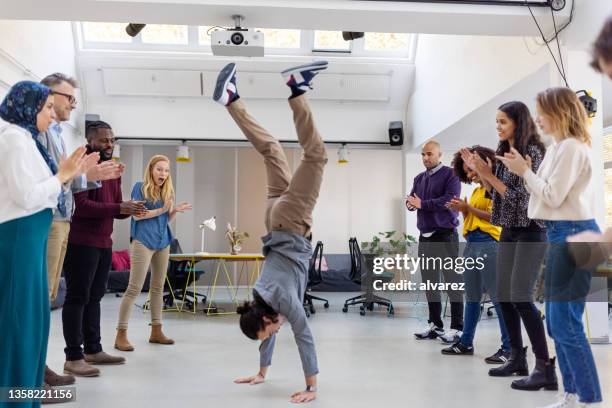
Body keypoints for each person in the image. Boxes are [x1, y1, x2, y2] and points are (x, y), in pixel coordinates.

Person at [213, 60, 328, 404]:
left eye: (271, 327)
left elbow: (304, 337)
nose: (277, 330)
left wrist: (311, 387)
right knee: (272, 149)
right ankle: (232, 100)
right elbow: (268, 332)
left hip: (291, 222)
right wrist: (262, 372)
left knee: (317, 155)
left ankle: (297, 88)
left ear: (265, 317)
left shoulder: (284, 304)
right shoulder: (260, 294)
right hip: (272, 218)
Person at [497, 87, 602, 408]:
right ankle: (570, 394)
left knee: (566, 324)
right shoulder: (558, 148)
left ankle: (589, 398)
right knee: (557, 324)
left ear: (559, 113)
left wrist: (524, 172)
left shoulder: (571, 148)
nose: (538, 118)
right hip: (560, 233)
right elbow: (542, 197)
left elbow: (552, 196)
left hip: (573, 234)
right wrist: (525, 171)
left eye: (542, 111)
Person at [0, 81, 90, 407]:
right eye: (47, 108)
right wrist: (61, 177)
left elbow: (43, 192)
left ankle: (27, 396)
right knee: (18, 321)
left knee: (34, 320)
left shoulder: (26, 140)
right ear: (28, 107)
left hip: (31, 237)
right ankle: (12, 399)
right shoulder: (12, 140)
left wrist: (65, 176)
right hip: (20, 237)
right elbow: (26, 196)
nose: (52, 115)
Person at [462, 101, 557, 391]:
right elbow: (501, 197)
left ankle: (545, 367)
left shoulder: (533, 152)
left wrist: (489, 176)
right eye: (497, 121)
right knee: (503, 295)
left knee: (520, 297)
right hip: (508, 230)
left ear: (519, 121)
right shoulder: (503, 153)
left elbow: (524, 199)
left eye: (503, 121)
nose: (498, 126)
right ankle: (517, 356)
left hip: (531, 230)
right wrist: (483, 174)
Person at [37, 72, 123, 387]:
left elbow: (66, 182)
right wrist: (88, 175)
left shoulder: (55, 134)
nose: (73, 104)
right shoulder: (26, 135)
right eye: (68, 98)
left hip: (77, 228)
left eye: (112, 140)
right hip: (69, 231)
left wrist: (95, 179)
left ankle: (90, 350)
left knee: (85, 296)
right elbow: (75, 197)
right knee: (66, 297)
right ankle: (67, 358)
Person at [62, 120, 147, 377]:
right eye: (103, 140)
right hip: (81, 242)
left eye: (111, 140)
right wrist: (118, 208)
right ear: (90, 142)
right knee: (77, 298)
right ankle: (73, 357)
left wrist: (129, 207)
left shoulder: (112, 169)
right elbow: (82, 206)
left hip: (103, 243)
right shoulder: (83, 168)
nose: (109, 144)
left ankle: (93, 349)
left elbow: (115, 207)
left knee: (95, 297)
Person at [440, 146, 511, 364]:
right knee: (471, 299)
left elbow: (495, 217)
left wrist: (468, 209)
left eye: (471, 169)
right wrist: (464, 209)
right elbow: (474, 217)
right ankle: (466, 342)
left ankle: (509, 348)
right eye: (467, 172)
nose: (470, 175)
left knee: (499, 301)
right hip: (472, 244)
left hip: (489, 245)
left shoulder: (492, 189)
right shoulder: (476, 191)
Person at [114, 154, 192, 351]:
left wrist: (175, 211)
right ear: (151, 169)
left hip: (163, 241)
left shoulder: (167, 190)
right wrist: (161, 210)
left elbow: (164, 220)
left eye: (166, 170)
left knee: (158, 288)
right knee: (134, 288)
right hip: (143, 241)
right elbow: (138, 216)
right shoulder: (140, 187)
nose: (163, 173)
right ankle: (121, 335)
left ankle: (156, 331)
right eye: (159, 169)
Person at [406, 140, 464, 343]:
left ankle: (457, 327)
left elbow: (449, 201)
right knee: (430, 283)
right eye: (423, 154)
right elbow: (412, 199)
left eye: (429, 154)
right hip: (425, 236)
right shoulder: (419, 178)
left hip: (445, 235)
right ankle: (435, 325)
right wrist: (410, 204)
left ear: (440, 154)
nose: (425, 158)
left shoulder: (451, 175)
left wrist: (422, 203)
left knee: (451, 283)